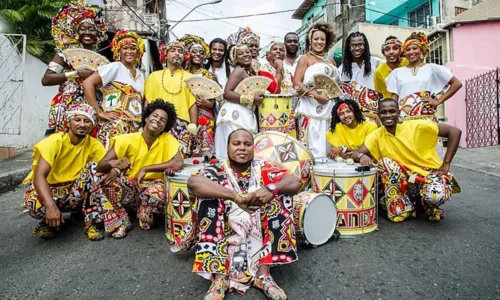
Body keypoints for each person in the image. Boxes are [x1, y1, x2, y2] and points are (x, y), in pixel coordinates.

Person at [188, 128, 302, 300]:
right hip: (225, 226)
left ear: (253, 149)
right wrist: (235, 197)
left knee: (280, 198)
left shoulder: (264, 167)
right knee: (208, 200)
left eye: (247, 144)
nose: (242, 148)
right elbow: (193, 182)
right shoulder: (216, 169)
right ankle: (220, 278)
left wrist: (272, 189)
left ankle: (263, 275)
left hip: (258, 222)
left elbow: (295, 182)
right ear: (227, 148)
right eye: (236, 144)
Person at [84, 100, 184, 238]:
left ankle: (142, 212)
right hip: (130, 186)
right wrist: (115, 163)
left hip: (152, 188)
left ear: (165, 126)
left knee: (146, 222)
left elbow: (178, 163)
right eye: (154, 116)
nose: (157, 120)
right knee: (98, 175)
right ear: (147, 117)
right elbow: (101, 165)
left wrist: (145, 169)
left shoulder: (168, 139)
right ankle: (122, 221)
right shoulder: (127, 139)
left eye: (163, 120)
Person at [353, 99, 462, 223]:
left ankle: (426, 205)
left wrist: (446, 164)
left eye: (392, 111)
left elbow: (454, 132)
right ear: (378, 115)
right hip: (405, 179)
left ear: (399, 113)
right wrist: (362, 156)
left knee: (435, 194)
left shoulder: (416, 126)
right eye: (383, 112)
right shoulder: (377, 134)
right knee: (385, 163)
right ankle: (403, 206)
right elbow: (356, 152)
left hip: (427, 175)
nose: (388, 115)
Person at [23, 104, 106, 240]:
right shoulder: (53, 142)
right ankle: (48, 222)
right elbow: (39, 177)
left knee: (95, 169)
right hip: (51, 191)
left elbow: (103, 170)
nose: (82, 124)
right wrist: (50, 207)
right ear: (69, 122)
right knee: (33, 203)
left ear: (92, 125)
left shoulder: (95, 145)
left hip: (74, 192)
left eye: (87, 121)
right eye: (77, 120)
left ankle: (88, 222)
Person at [43, 2, 107, 135]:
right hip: (67, 105)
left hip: (93, 105)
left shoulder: (100, 59)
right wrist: (76, 73)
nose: (87, 33)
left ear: (97, 33)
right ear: (76, 31)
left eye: (91, 29)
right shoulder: (64, 54)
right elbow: (46, 79)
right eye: (83, 28)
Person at [82, 29, 146, 149]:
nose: (129, 51)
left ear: (139, 52)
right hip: (115, 127)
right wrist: (99, 112)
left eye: (133, 48)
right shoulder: (115, 67)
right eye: (125, 48)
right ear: (118, 51)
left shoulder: (141, 75)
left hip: (135, 128)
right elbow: (87, 83)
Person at [386, 32, 462, 121]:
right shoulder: (396, 73)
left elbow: (456, 83)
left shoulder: (432, 68)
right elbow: (394, 99)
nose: (411, 52)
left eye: (415, 48)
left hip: (426, 118)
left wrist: (438, 101)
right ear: (404, 52)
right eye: (408, 49)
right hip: (404, 120)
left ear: (422, 50)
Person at [145, 41, 198, 157]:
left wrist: (193, 127)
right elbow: (148, 103)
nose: (177, 54)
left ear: (185, 57)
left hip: (182, 127)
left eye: (180, 51)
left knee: (179, 162)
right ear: (165, 54)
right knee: (155, 157)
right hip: (158, 124)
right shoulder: (154, 76)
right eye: (173, 50)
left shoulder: (191, 78)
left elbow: (193, 104)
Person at [293, 22, 338, 158]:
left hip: (329, 107)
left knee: (328, 141)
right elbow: (296, 83)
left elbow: (335, 85)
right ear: (310, 40)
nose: (319, 42)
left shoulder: (331, 61)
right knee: (312, 143)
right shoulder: (305, 59)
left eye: (322, 39)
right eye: (316, 39)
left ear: (327, 41)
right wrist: (315, 96)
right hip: (310, 108)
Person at [215, 44, 263, 159]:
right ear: (235, 59)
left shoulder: (250, 71)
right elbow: (227, 93)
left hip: (243, 112)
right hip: (235, 114)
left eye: (247, 52)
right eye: (241, 53)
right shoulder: (239, 71)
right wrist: (252, 99)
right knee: (235, 147)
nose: (246, 55)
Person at [179, 34, 218, 159]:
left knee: (205, 151)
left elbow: (216, 98)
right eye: (194, 52)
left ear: (205, 56)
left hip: (205, 118)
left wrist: (209, 103)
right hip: (185, 115)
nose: (197, 55)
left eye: (201, 52)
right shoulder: (181, 74)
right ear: (188, 54)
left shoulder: (210, 76)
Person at [339, 31, 383, 123]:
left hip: (373, 115)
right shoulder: (342, 69)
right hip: (352, 118)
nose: (357, 48)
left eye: (360, 44)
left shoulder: (376, 62)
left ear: (365, 45)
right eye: (353, 45)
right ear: (349, 47)